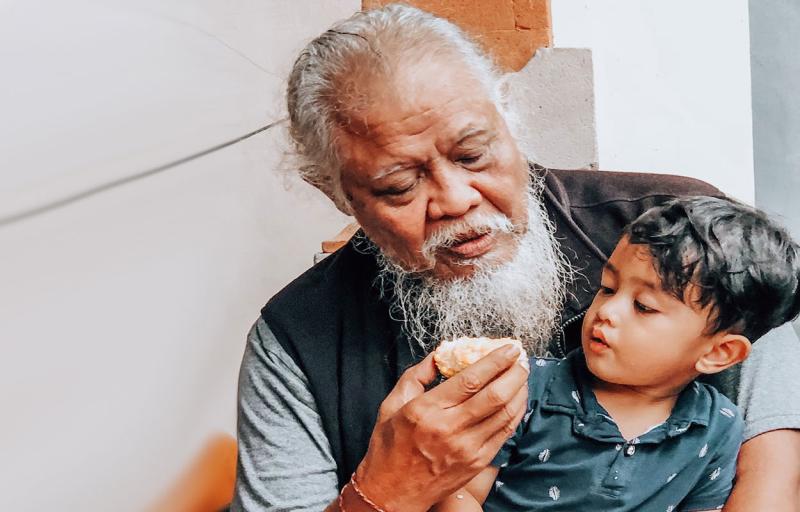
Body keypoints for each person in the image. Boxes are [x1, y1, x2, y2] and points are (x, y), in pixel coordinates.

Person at [231, 4, 800, 512]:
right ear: (334, 191)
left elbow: (773, 468)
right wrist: (387, 489)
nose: (456, 200)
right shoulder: (295, 342)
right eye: (399, 186)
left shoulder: (679, 233)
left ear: (508, 111)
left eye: (473, 153)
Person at [433, 196, 800, 511]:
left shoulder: (717, 427)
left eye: (643, 306)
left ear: (719, 354)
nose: (607, 311)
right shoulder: (523, 389)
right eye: (608, 288)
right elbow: (458, 491)